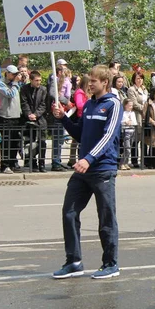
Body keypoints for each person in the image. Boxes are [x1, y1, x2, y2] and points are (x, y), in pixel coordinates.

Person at [51, 64, 122, 279]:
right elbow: (80, 134)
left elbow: (108, 137)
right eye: (88, 80)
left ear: (105, 83)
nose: (89, 84)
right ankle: (73, 261)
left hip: (102, 170)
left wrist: (89, 159)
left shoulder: (113, 104)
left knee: (106, 218)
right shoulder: (90, 105)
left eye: (93, 81)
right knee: (69, 212)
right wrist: (63, 118)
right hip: (83, 169)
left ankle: (110, 264)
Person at [20, 70, 48, 172]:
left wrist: (36, 114)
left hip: (40, 120)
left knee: (42, 142)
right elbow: (24, 103)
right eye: (36, 80)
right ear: (31, 80)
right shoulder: (24, 89)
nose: (38, 82)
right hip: (28, 120)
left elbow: (44, 104)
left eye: (40, 80)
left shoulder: (43, 89)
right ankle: (33, 163)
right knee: (29, 142)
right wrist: (29, 114)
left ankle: (42, 163)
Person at [0, 65, 22, 174]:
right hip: (6, 117)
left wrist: (21, 80)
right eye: (13, 74)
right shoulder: (1, 83)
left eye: (16, 74)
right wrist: (16, 83)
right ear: (7, 73)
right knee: (6, 143)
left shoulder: (15, 83)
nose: (15, 76)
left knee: (15, 142)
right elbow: (10, 94)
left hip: (16, 116)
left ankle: (12, 163)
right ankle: (5, 165)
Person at [127, 72, 148, 168]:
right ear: (134, 79)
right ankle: (134, 160)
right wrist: (144, 108)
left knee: (144, 139)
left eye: (141, 78)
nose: (140, 80)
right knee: (135, 139)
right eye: (138, 78)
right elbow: (134, 103)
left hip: (145, 116)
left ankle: (145, 159)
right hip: (137, 115)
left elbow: (148, 101)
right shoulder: (131, 89)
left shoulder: (144, 89)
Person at [120, 99, 137, 170]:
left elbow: (134, 122)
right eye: (129, 105)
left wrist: (131, 122)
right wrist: (126, 122)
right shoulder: (123, 113)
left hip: (132, 131)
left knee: (129, 147)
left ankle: (126, 162)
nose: (131, 107)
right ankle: (122, 163)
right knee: (127, 149)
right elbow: (121, 121)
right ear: (125, 105)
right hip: (126, 131)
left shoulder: (132, 113)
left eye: (132, 105)